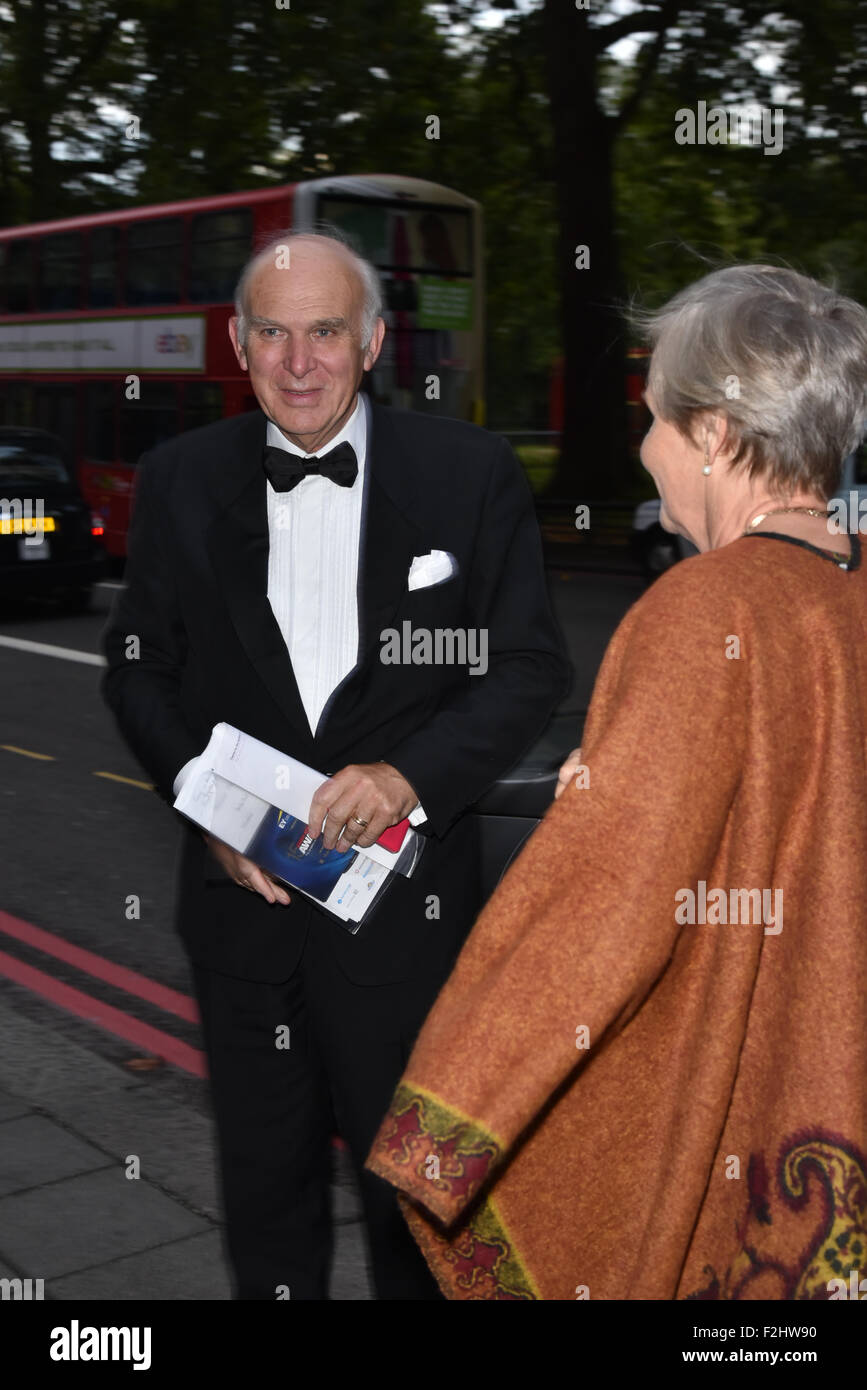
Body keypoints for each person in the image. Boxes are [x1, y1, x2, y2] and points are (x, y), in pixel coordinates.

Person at [367, 264, 867, 1301]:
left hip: (747, 1120)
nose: (643, 450)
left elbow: (609, 896)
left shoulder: (702, 609)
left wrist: (445, 1116)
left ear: (718, 436)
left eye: (654, 418)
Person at [101, 229, 569, 1300]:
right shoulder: (178, 480)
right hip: (242, 931)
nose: (298, 361)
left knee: (419, 1215)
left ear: (373, 341)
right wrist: (208, 807)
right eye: (273, 332)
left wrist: (407, 775)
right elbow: (134, 670)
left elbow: (529, 666)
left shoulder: (468, 474)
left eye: (324, 332)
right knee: (265, 1209)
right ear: (236, 340)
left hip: (410, 932)